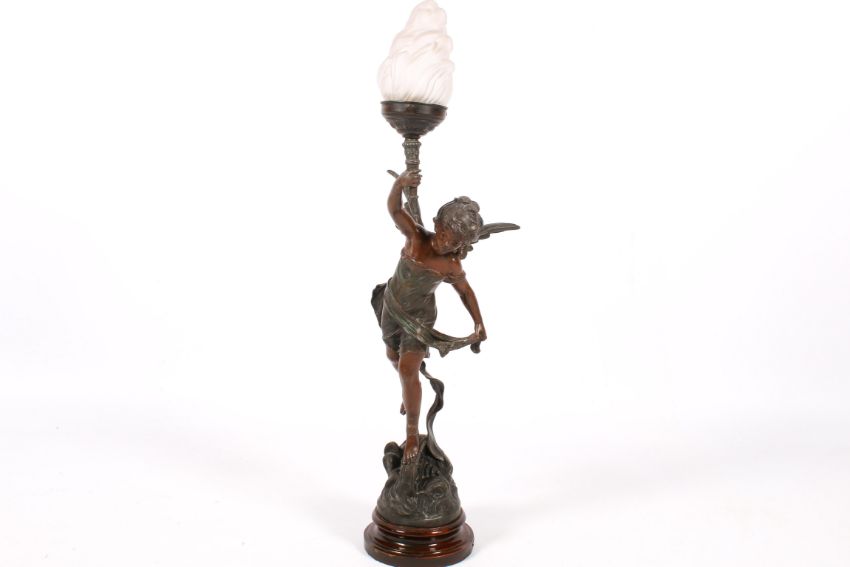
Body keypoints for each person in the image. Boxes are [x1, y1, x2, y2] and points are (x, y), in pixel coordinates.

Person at [372, 169, 487, 466]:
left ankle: (412, 433)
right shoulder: (416, 237)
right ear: (437, 225)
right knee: (392, 357)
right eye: (446, 235)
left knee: (407, 369)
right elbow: (395, 209)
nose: (448, 244)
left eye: (455, 243)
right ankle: (408, 390)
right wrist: (399, 184)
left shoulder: (450, 265)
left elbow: (465, 292)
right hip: (392, 305)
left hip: (420, 320)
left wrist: (478, 322)